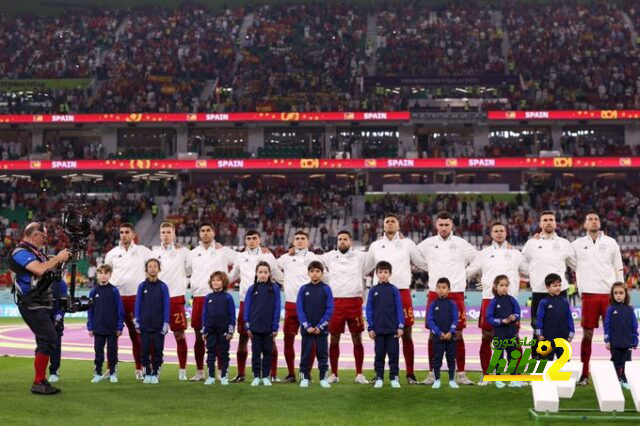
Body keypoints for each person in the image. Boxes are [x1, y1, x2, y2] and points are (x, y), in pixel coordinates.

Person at [364, 213, 428, 384]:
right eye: (387, 221)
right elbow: (366, 267)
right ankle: (379, 373)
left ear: (398, 225)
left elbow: (422, 263)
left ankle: (410, 373)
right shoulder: (376, 245)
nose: (390, 224)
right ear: (383, 226)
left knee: (406, 334)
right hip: (380, 294)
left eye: (393, 221)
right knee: (379, 336)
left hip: (402, 292)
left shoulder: (407, 244)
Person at [9, 222, 71, 394]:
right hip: (31, 303)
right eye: (43, 236)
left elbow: (49, 271)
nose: (45, 239)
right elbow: (39, 270)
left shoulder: (37, 253)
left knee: (46, 340)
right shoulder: (20, 252)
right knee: (49, 338)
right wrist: (58, 257)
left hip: (40, 303)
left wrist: (61, 260)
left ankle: (41, 379)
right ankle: (38, 382)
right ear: (34, 235)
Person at [418, 211, 477, 385]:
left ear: (452, 225)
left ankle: (461, 374)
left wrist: (465, 274)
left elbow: (477, 259)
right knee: (432, 335)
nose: (444, 228)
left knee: (457, 334)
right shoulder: (428, 243)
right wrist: (429, 267)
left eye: (447, 225)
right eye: (441, 225)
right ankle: (431, 373)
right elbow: (415, 257)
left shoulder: (461, 243)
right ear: (436, 226)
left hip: (456, 292)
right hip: (434, 293)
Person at [466, 221, 526, 384]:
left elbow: (529, 271)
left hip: (510, 300)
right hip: (488, 299)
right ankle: (487, 374)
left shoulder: (516, 254)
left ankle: (516, 375)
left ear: (506, 233)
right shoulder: (483, 253)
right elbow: (469, 271)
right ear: (491, 234)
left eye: (501, 230)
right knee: (486, 337)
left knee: (513, 338)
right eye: (496, 231)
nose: (499, 233)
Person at [571, 211, 624, 385]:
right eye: (590, 220)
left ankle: (619, 373)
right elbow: (563, 257)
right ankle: (585, 374)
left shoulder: (611, 243)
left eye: (596, 219)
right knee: (587, 335)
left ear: (600, 223)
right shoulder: (576, 244)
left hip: (609, 295)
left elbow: (618, 267)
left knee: (616, 335)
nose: (593, 222)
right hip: (589, 294)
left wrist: (620, 292)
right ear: (585, 225)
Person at [229, 230, 281, 383]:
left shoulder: (267, 255)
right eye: (248, 238)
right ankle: (241, 373)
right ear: (245, 241)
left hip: (265, 302)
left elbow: (277, 274)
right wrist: (218, 281)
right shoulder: (241, 256)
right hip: (246, 300)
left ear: (259, 240)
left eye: (254, 238)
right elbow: (232, 275)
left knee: (269, 339)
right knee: (243, 338)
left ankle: (272, 373)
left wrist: (292, 286)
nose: (251, 241)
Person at [188, 223, 237, 381]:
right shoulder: (193, 253)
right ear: (199, 233)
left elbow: (241, 259)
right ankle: (200, 371)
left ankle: (221, 371)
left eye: (208, 230)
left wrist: (228, 279)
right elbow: (185, 270)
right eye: (202, 230)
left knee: (220, 337)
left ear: (214, 232)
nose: (205, 233)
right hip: (199, 297)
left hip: (219, 298)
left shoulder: (222, 251)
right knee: (199, 336)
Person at [104, 223, 152, 380]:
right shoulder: (111, 254)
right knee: (112, 335)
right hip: (116, 299)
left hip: (136, 299)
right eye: (121, 232)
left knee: (136, 334)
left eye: (126, 232)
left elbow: (157, 264)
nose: (123, 235)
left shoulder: (143, 251)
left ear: (133, 235)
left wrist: (175, 246)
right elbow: (105, 274)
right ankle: (111, 369)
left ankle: (140, 368)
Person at [321, 230, 368, 384]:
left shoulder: (360, 256)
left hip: (354, 301)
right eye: (340, 239)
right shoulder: (329, 256)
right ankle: (334, 374)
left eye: (345, 239)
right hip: (336, 302)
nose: (342, 241)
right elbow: (311, 261)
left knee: (357, 338)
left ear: (351, 242)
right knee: (334, 338)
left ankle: (359, 374)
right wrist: (295, 250)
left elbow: (377, 257)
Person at [522, 212, 576, 347]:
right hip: (539, 291)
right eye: (545, 220)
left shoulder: (564, 243)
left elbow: (576, 265)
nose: (548, 222)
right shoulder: (531, 244)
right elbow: (521, 265)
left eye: (551, 219)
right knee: (537, 325)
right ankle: (536, 358)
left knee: (561, 324)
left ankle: (562, 358)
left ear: (555, 223)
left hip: (559, 292)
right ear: (540, 224)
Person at [277, 230, 321, 383]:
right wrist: (284, 281)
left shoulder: (314, 258)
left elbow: (324, 277)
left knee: (309, 340)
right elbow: (272, 268)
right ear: (293, 241)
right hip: (291, 303)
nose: (300, 241)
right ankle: (291, 373)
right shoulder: (286, 258)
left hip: (309, 306)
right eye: (297, 239)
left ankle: (306, 373)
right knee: (288, 340)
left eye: (303, 238)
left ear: (307, 242)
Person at [152, 222, 192, 381]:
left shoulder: (183, 252)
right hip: (157, 300)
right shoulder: (153, 253)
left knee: (180, 335)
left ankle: (182, 370)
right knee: (155, 336)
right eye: (163, 232)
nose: (166, 235)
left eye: (169, 232)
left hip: (176, 298)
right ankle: (156, 368)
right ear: (160, 235)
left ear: (174, 234)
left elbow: (190, 270)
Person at [366, 261, 405, 389]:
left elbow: (399, 309)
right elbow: (369, 310)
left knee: (393, 355)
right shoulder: (373, 291)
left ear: (390, 274)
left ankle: (394, 377)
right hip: (378, 330)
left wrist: (400, 326)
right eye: (380, 272)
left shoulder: (394, 290)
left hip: (392, 330)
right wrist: (370, 327)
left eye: (385, 272)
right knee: (379, 356)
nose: (383, 275)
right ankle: (379, 377)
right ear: (376, 274)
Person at [297, 261, 334, 388]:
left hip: (321, 330)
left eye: (317, 271)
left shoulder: (326, 289)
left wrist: (320, 326)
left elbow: (329, 309)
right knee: (306, 354)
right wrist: (307, 326)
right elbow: (300, 309)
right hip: (307, 330)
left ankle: (323, 378)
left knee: (322, 354)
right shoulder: (303, 289)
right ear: (308, 273)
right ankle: (304, 378)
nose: (315, 274)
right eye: (312, 271)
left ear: (322, 273)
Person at [244, 261, 282, 386]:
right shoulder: (252, 288)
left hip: (268, 328)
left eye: (265, 272)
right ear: (256, 273)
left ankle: (265, 376)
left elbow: (277, 307)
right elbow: (247, 308)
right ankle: (256, 376)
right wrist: (247, 325)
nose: (263, 275)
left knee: (267, 352)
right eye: (260, 272)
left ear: (269, 274)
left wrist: (275, 326)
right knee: (255, 353)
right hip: (255, 328)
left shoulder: (274, 288)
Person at [134, 258, 170, 384]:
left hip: (159, 325)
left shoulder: (163, 287)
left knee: (158, 350)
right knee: (144, 350)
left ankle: (155, 372)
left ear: (159, 269)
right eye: (150, 266)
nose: (153, 268)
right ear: (146, 269)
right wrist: (136, 320)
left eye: (155, 266)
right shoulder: (142, 286)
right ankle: (147, 372)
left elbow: (166, 305)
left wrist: (166, 322)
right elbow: (137, 304)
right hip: (144, 324)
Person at [87, 264, 125, 383]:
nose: (103, 275)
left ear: (110, 275)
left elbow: (120, 309)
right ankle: (98, 373)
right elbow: (90, 311)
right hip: (98, 327)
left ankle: (112, 372)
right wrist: (90, 327)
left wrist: (119, 326)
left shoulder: (114, 291)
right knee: (98, 351)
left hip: (112, 328)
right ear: (97, 275)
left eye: (106, 273)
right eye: (101, 273)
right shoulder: (93, 292)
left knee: (112, 351)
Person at [485, 275, 522, 388]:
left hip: (511, 333)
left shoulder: (512, 300)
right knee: (499, 356)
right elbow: (489, 317)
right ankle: (498, 378)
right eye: (501, 285)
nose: (504, 288)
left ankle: (513, 379)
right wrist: (501, 321)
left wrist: (514, 317)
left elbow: (518, 313)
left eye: (506, 285)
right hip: (499, 333)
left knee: (512, 355)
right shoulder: (493, 301)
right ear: (495, 287)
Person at [201, 271, 235, 386]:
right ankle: (210, 376)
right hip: (211, 331)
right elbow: (205, 315)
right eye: (213, 280)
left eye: (218, 280)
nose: (215, 282)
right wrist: (204, 330)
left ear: (223, 282)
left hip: (224, 331)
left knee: (224, 354)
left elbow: (232, 315)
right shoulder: (208, 297)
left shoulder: (228, 297)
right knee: (210, 353)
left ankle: (224, 376)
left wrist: (231, 330)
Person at [604, 282, 638, 389]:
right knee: (616, 362)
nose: (618, 295)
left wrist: (635, 338)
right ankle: (615, 379)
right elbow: (607, 325)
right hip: (615, 342)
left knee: (626, 363)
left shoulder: (630, 309)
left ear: (625, 294)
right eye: (616, 293)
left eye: (621, 293)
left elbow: (634, 325)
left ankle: (625, 379)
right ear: (612, 295)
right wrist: (607, 340)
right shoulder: (610, 309)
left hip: (627, 341)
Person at [427, 277, 459, 390]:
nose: (441, 290)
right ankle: (437, 380)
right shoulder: (433, 304)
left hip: (451, 337)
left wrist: (451, 332)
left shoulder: (452, 304)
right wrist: (439, 332)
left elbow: (456, 319)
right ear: (436, 289)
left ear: (448, 290)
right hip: (438, 338)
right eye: (439, 287)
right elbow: (430, 321)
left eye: (444, 287)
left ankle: (452, 380)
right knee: (437, 359)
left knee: (451, 359)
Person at [535, 273, 575, 360]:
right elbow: (539, 319)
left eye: (559, 285)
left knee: (565, 364)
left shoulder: (564, 301)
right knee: (545, 364)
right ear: (547, 287)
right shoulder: (543, 302)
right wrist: (539, 334)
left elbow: (569, 318)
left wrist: (571, 331)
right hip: (547, 338)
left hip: (563, 338)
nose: (558, 288)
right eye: (555, 285)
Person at [48, 278, 67, 383]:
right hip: (43, 317)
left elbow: (64, 303)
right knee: (41, 344)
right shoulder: (39, 279)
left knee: (56, 344)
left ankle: (54, 371)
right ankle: (40, 373)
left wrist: (58, 317)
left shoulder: (61, 283)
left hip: (56, 318)